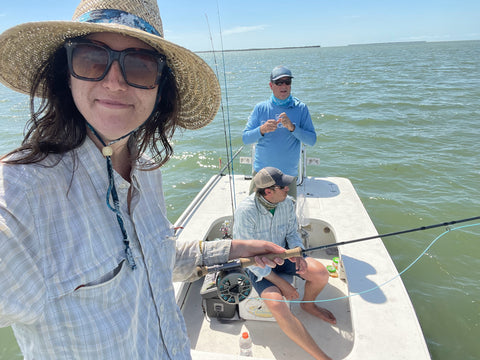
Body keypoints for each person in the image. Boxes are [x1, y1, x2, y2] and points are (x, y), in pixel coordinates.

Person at [0, 1, 286, 359]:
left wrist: (232, 249)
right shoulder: (20, 193)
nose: (115, 82)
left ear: (160, 87)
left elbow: (154, 255)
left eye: (139, 65)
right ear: (65, 73)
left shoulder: (146, 170)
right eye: (92, 59)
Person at [233, 167, 336, 360]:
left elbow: (291, 233)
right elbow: (247, 257)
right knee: (277, 304)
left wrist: (297, 254)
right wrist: (282, 284)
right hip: (256, 266)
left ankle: (308, 305)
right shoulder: (245, 212)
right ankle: (322, 357)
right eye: (283, 186)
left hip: (283, 255)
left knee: (320, 273)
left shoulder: (287, 203)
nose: (288, 188)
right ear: (268, 192)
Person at [242, 65, 317, 198]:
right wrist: (262, 130)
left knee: (287, 217)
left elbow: (311, 140)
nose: (284, 86)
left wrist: (293, 128)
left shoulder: (301, 108)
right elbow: (245, 139)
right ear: (271, 85)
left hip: (287, 177)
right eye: (279, 82)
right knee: (254, 215)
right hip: (262, 174)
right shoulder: (260, 108)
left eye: (287, 82)